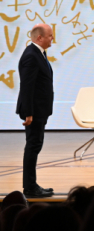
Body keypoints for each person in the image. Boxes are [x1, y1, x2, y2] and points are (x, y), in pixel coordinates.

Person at [16, 23, 55, 198]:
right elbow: (27, 86)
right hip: (35, 111)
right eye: (50, 35)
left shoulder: (38, 54)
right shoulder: (31, 55)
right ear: (39, 37)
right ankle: (30, 187)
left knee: (35, 146)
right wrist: (29, 112)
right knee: (33, 146)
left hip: (40, 109)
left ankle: (31, 185)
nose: (52, 38)